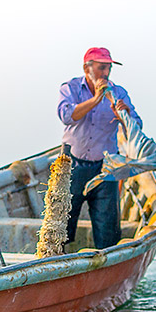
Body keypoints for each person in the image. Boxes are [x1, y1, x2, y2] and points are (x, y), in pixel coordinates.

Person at [57, 47, 142, 249]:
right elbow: (67, 116)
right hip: (72, 165)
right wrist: (96, 99)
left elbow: (136, 128)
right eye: (101, 68)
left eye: (108, 68)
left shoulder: (119, 93)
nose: (105, 73)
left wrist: (125, 114)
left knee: (108, 233)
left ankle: (106, 268)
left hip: (106, 168)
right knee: (60, 228)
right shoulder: (70, 88)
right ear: (87, 68)